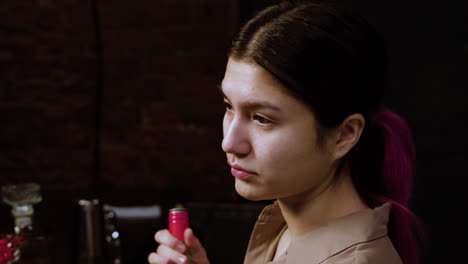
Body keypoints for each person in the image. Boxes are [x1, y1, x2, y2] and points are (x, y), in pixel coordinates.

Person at [148, 1, 424, 263]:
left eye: (261, 118)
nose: (229, 143)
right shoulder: (284, 229)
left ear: (344, 135)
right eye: (228, 106)